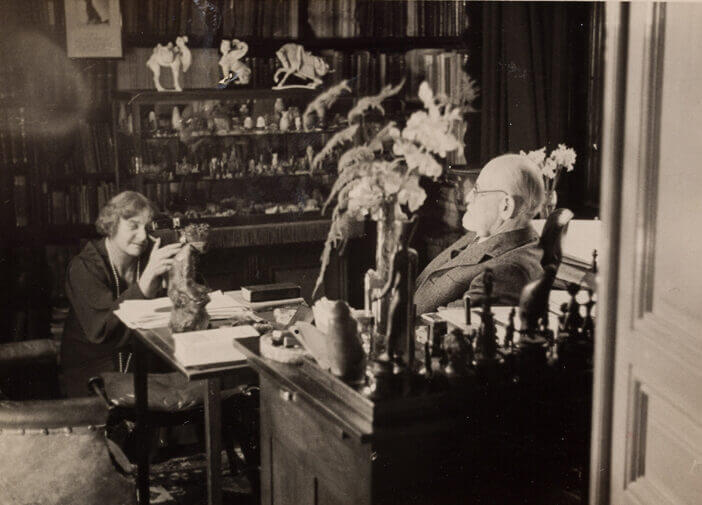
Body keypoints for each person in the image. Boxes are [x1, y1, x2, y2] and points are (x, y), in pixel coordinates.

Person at [60, 191, 182, 397]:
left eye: (147, 227)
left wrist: (183, 269)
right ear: (111, 225)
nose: (143, 236)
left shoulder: (150, 253)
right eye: (133, 226)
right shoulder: (84, 267)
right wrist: (144, 285)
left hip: (143, 364)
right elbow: (102, 330)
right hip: (94, 373)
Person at [414, 154, 545, 315]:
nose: (468, 198)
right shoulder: (484, 233)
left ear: (506, 206)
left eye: (477, 191)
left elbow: (446, 328)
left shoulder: (507, 273)